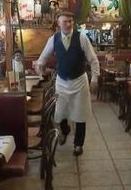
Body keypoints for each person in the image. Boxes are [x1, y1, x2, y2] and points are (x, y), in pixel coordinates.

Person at [35, 11, 100, 156]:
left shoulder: (82, 38)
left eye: (70, 21)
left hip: (79, 81)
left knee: (80, 114)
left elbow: (93, 59)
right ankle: (64, 130)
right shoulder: (53, 39)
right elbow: (43, 58)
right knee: (60, 113)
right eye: (65, 21)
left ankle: (78, 144)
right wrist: (40, 68)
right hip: (62, 81)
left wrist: (95, 78)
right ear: (58, 23)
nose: (69, 24)